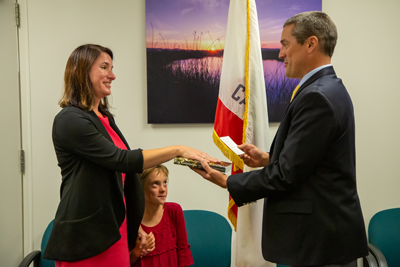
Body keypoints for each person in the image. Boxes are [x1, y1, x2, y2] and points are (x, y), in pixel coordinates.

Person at [193, 11, 368, 267]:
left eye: (285, 44)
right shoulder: (327, 88)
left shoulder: (317, 97)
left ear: (310, 44)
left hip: (321, 244)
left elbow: (287, 175)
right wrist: (267, 158)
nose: (280, 54)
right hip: (324, 240)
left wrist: (230, 182)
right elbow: (312, 161)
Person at [43, 44, 216, 266]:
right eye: (104, 67)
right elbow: (123, 160)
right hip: (86, 238)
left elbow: (120, 180)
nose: (112, 75)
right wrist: (178, 150)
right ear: (80, 71)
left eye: (112, 68)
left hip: (115, 229)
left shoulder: (104, 118)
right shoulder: (70, 120)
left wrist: (135, 225)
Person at [131, 165, 194, 267]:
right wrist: (136, 251)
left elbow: (183, 253)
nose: (163, 189)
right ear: (141, 188)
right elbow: (124, 261)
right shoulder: (131, 218)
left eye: (164, 183)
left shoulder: (174, 211)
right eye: (155, 184)